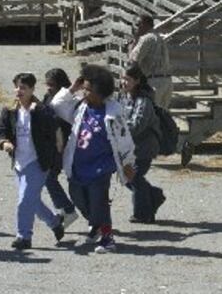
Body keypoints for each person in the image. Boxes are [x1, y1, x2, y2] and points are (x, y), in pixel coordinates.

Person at [49, 64, 136, 254]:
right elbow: (57, 105)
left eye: (89, 89)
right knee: (78, 197)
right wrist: (73, 88)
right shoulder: (80, 107)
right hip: (78, 165)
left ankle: (107, 237)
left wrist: (128, 163)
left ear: (101, 92)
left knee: (99, 202)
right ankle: (95, 224)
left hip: (100, 168)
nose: (85, 92)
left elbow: (124, 140)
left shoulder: (113, 113)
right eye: (84, 88)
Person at [0, 73, 65, 250]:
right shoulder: (10, 110)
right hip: (19, 162)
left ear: (32, 90)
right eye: (17, 87)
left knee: (25, 200)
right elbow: (0, 129)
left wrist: (56, 155)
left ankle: (23, 236)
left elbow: (55, 130)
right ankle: (55, 222)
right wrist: (4, 142)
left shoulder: (40, 110)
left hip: (37, 162)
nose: (19, 91)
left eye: (23, 88)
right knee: (31, 200)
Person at [120, 63, 166, 224]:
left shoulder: (143, 100)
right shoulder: (124, 97)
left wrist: (119, 132)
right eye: (123, 78)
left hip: (143, 147)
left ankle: (143, 213)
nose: (124, 82)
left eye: (128, 79)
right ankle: (154, 195)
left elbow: (137, 125)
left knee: (134, 177)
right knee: (129, 177)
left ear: (137, 81)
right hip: (129, 147)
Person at [42, 68, 78, 228]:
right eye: (47, 84)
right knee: (49, 178)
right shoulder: (47, 97)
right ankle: (64, 208)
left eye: (52, 85)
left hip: (61, 145)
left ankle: (68, 209)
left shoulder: (70, 100)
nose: (49, 88)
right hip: (49, 146)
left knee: (49, 178)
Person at [129, 14, 172, 108]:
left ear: (145, 24)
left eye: (137, 24)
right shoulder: (160, 37)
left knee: (151, 115)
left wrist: (134, 41)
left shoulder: (146, 38)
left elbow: (133, 60)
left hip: (154, 82)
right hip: (167, 81)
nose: (136, 27)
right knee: (162, 116)